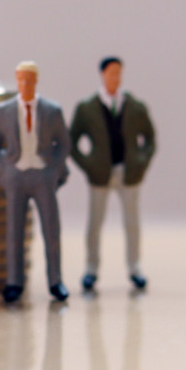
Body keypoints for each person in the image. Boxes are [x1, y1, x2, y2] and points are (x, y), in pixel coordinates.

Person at [0, 61, 71, 304]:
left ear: (36, 81)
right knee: (14, 231)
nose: (24, 84)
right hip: (16, 176)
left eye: (29, 80)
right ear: (16, 80)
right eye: (20, 79)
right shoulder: (3, 111)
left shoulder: (52, 110)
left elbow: (64, 143)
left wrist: (53, 169)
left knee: (51, 229)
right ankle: (14, 282)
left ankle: (55, 281)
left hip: (43, 176)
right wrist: (6, 169)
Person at [69, 57, 156, 290]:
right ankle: (91, 268)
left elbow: (150, 138)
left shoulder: (135, 107)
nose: (115, 78)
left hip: (127, 174)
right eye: (110, 73)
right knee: (95, 223)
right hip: (100, 175)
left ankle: (135, 267)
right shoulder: (87, 108)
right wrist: (89, 165)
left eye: (118, 73)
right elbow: (72, 140)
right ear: (102, 75)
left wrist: (140, 162)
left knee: (132, 222)